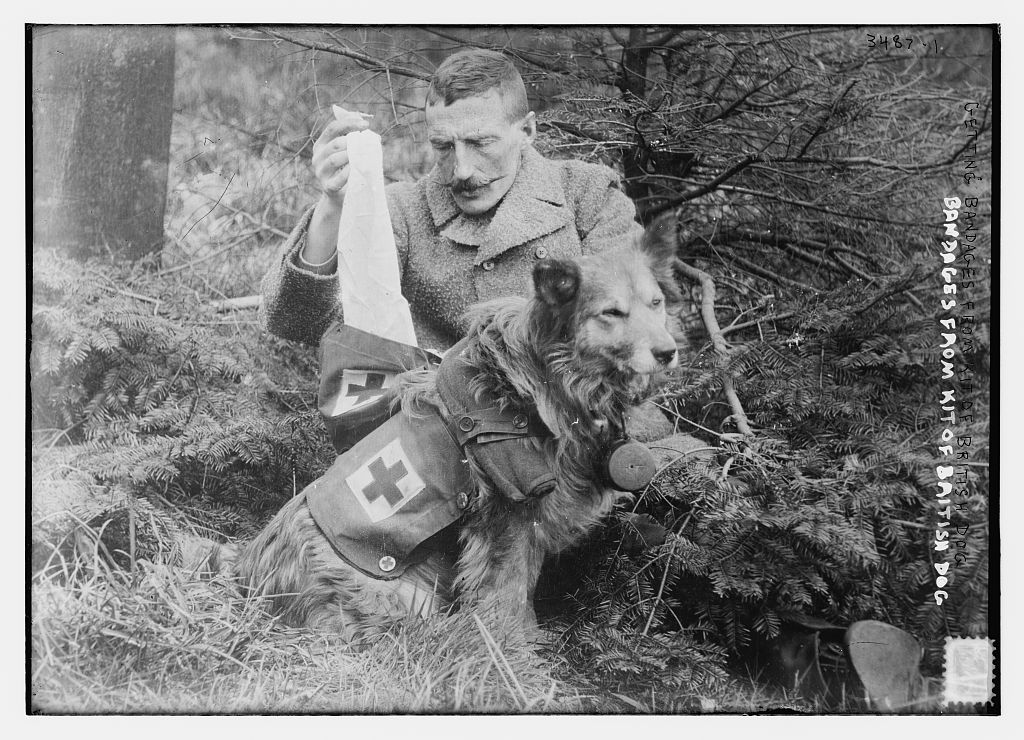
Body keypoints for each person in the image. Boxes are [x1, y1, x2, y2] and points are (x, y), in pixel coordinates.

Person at [260, 48, 644, 352]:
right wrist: (333, 205)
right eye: (443, 146)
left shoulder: (587, 195)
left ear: (526, 129)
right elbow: (301, 323)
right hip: (443, 433)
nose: (461, 170)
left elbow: (633, 328)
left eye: (480, 143)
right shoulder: (403, 212)